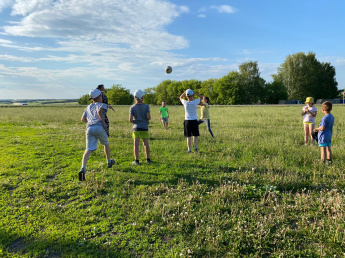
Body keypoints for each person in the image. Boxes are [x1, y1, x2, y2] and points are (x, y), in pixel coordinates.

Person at [79, 89, 115, 181]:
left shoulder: (88, 107)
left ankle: (83, 168)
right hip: (99, 127)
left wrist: (91, 122)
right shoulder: (102, 105)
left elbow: (83, 119)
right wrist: (103, 122)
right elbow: (99, 111)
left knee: (88, 149)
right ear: (99, 97)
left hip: (89, 128)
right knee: (105, 143)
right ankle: (108, 161)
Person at [129, 89, 153, 165]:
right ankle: (148, 159)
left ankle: (136, 161)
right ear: (142, 98)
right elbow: (148, 117)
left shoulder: (132, 107)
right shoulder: (146, 106)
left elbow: (130, 119)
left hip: (136, 128)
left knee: (136, 144)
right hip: (144, 127)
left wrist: (135, 122)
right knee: (146, 144)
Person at [179, 89, 203, 153]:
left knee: (188, 136)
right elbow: (201, 98)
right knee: (195, 136)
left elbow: (180, 97)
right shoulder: (195, 102)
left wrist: (185, 92)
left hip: (187, 121)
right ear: (193, 95)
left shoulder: (185, 102)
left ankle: (189, 149)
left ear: (186, 96)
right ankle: (195, 149)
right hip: (194, 121)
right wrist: (194, 92)